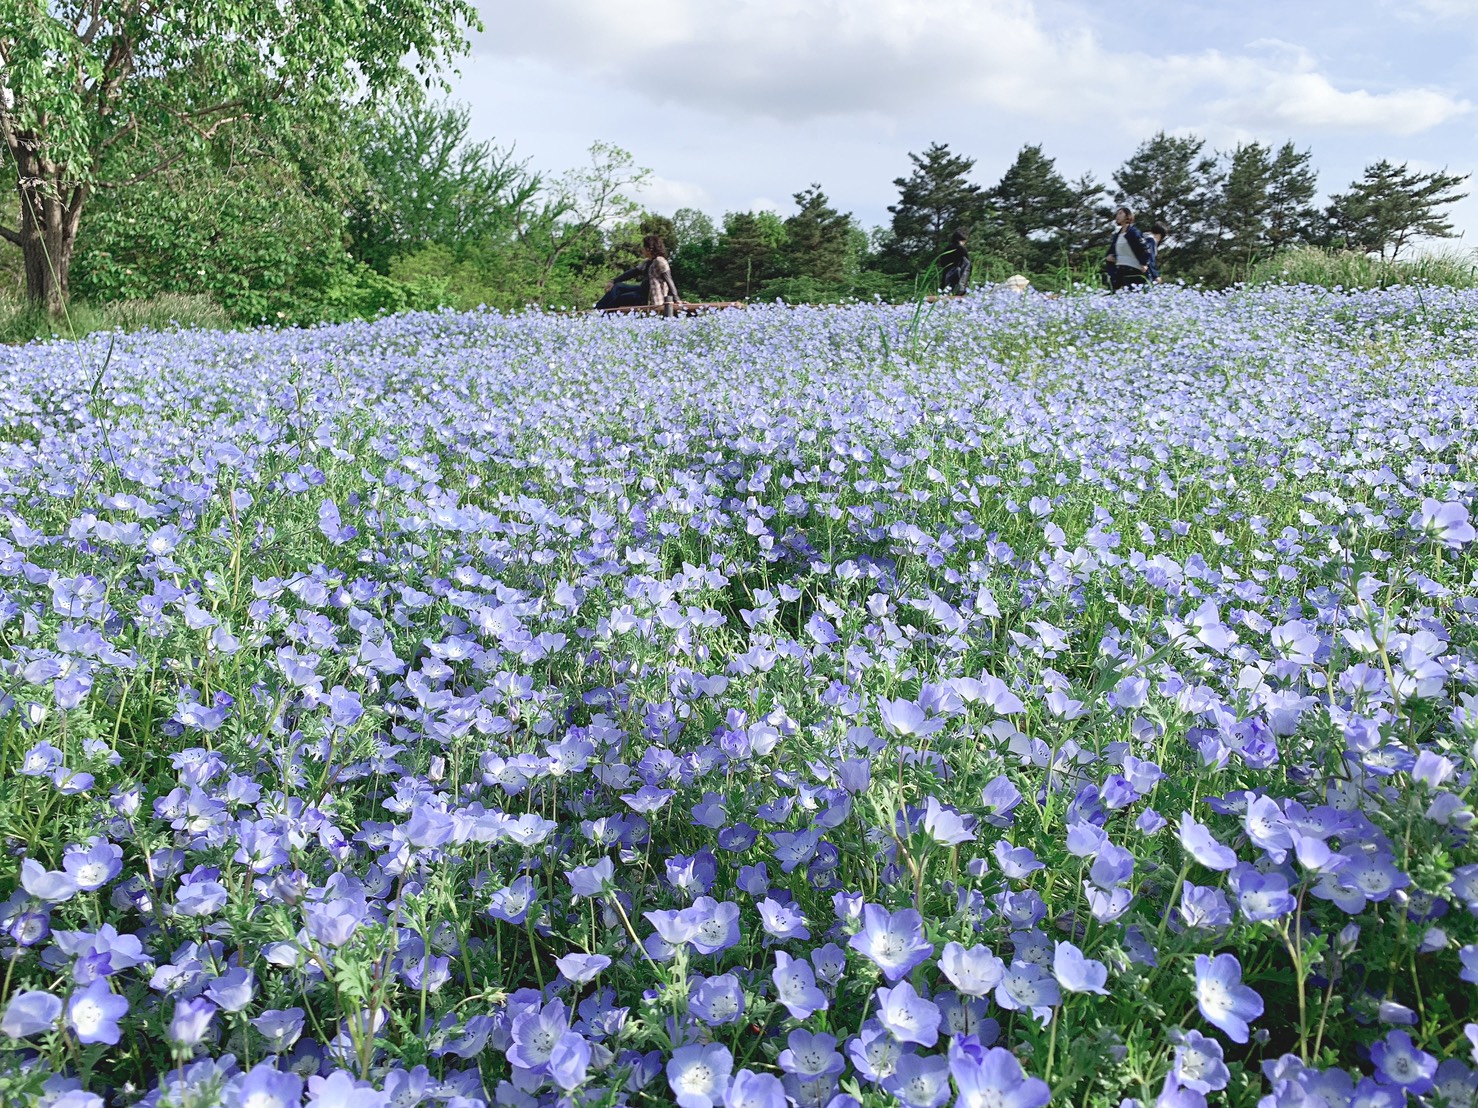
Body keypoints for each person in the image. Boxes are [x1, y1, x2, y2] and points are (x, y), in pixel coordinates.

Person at [595, 234, 682, 311]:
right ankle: (598, 309)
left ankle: (604, 314)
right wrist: (613, 281)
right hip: (641, 291)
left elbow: (669, 280)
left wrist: (676, 299)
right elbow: (633, 273)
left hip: (648, 297)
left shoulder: (660, 261)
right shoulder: (648, 262)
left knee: (620, 299)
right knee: (618, 286)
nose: (642, 250)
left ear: (649, 249)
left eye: (643, 247)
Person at [1104, 207, 1151, 291]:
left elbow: (1145, 248)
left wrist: (1144, 263)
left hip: (1133, 269)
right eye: (1117, 214)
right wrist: (1109, 257)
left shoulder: (1134, 232)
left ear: (1127, 216)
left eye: (1120, 213)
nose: (1117, 216)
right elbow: (1112, 250)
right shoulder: (1117, 235)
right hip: (1119, 269)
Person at [938, 229, 972, 295]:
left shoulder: (947, 249)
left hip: (946, 279)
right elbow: (967, 266)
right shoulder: (962, 250)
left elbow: (942, 263)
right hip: (958, 279)